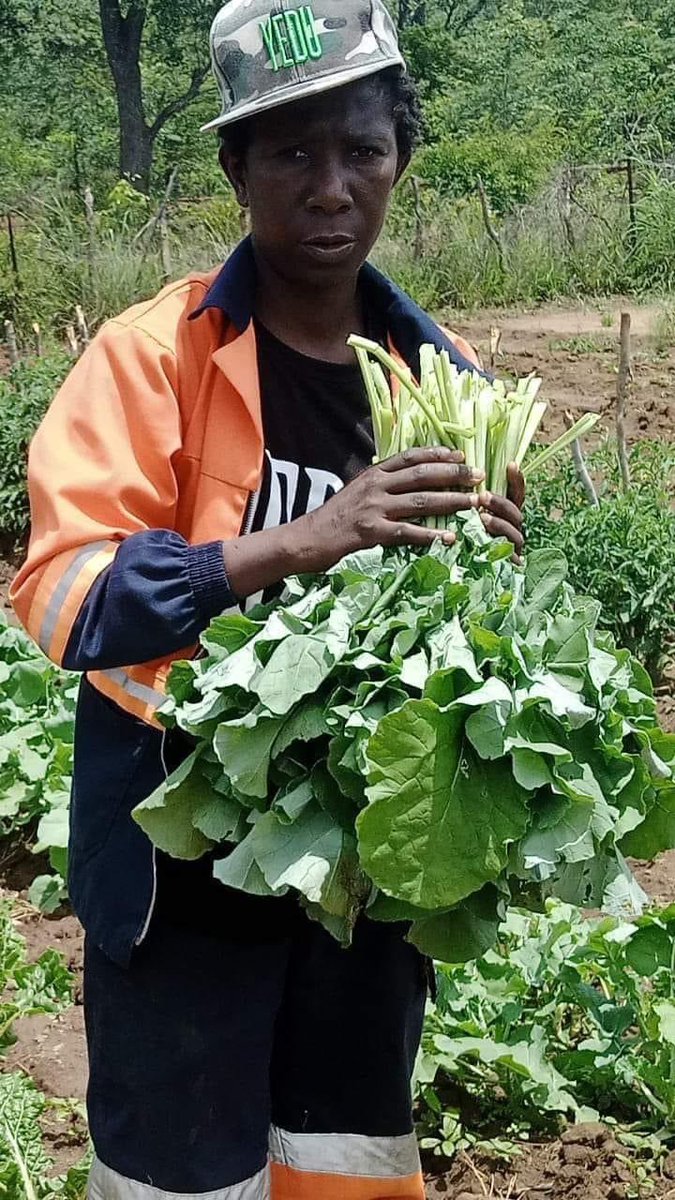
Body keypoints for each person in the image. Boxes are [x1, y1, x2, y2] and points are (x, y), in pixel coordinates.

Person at [11, 2, 524, 1196]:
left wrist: (491, 565)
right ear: (238, 169)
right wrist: (296, 542)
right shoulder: (154, 358)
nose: (332, 186)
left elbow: (454, 632)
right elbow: (59, 592)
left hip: (361, 886)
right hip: (179, 874)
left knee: (346, 1161)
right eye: (292, 153)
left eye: (362, 149)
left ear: (400, 156)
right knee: (179, 1176)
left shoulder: (440, 382)